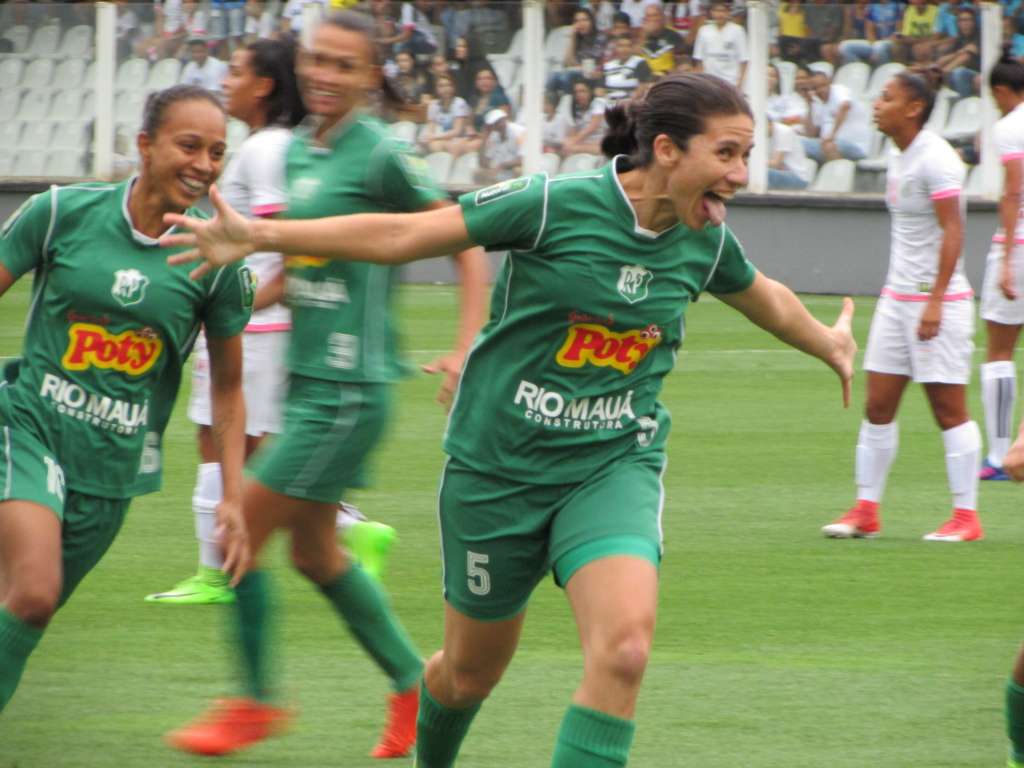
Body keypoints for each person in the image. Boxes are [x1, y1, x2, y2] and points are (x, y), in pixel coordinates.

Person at [161, 71, 856, 768]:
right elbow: (407, 233)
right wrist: (256, 234)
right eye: (728, 154)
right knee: (466, 675)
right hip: (496, 472)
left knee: (625, 652)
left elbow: (767, 298)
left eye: (746, 154)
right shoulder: (550, 205)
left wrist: (828, 341)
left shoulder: (704, 239)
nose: (741, 174)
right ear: (668, 150)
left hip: (611, 464)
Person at [164, 11, 488, 759]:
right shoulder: (307, 151)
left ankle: (254, 700)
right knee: (314, 554)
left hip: (347, 389)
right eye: (316, 59)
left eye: (344, 65)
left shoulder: (379, 154)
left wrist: (464, 345)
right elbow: (307, 269)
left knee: (234, 524)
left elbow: (466, 235)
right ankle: (411, 681)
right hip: (312, 382)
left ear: (371, 77)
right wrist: (229, 311)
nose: (324, 74)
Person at [0, 84, 253, 712]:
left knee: (23, 614)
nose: (203, 163)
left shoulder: (217, 265)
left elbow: (226, 388)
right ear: (144, 145)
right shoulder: (59, 213)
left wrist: (234, 499)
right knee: (33, 590)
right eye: (188, 145)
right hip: (28, 427)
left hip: (112, 472)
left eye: (217, 151)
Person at [822, 72, 983, 543]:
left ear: (913, 108)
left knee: (948, 409)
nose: (876, 104)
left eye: (886, 98)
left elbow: (954, 231)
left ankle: (966, 517)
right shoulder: (900, 156)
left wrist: (934, 300)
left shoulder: (937, 159)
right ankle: (866, 510)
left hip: (938, 302)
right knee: (877, 406)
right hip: (897, 300)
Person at [976, 52, 1024, 482]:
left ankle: (996, 456)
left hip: (1021, 245)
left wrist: (1008, 258)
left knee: (999, 351)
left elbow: (1013, 192)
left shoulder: (1010, 128)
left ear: (1000, 92)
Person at [801, 67, 873, 162]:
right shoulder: (818, 103)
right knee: (796, 144)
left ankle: (838, 174)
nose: (821, 90)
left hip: (854, 145)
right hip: (826, 145)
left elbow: (845, 105)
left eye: (823, 86)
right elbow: (811, 134)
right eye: (815, 88)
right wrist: (809, 105)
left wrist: (831, 136)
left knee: (829, 146)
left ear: (829, 83)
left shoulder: (839, 90)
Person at [693, 0, 748, 86]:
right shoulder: (704, 30)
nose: (720, 14)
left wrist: (740, 83)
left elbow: (744, 60)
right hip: (710, 82)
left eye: (723, 11)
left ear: (729, 12)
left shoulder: (737, 30)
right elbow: (699, 60)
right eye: (716, 11)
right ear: (711, 12)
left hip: (731, 81)